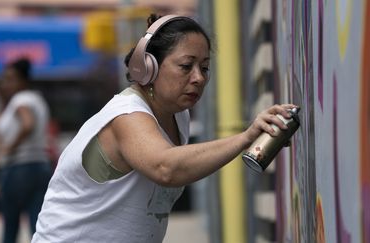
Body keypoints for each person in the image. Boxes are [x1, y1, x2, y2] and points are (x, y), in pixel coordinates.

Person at [32, 14, 297, 243]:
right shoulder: (126, 116)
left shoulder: (176, 116)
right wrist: (246, 137)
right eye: (186, 66)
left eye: (204, 68)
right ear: (148, 67)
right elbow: (166, 168)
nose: (199, 78)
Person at [0, 57, 52, 243]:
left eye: (10, 79)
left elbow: (27, 124)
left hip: (19, 165)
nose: (6, 84)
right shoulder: (38, 99)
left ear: (22, 80)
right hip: (40, 165)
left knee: (10, 224)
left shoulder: (21, 99)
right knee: (37, 220)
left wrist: (8, 148)